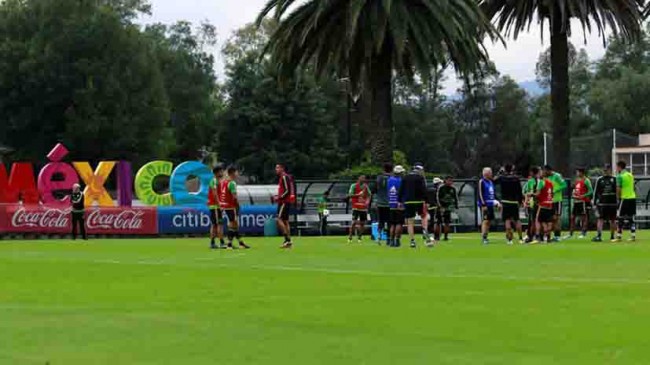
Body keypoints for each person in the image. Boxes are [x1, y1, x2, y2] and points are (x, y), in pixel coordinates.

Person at [219, 166, 250, 249]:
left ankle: (240, 242)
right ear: (232, 173)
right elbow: (234, 196)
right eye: (236, 172)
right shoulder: (232, 183)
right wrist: (237, 205)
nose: (237, 174)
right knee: (233, 225)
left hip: (225, 206)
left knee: (234, 225)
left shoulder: (224, 182)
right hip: (231, 206)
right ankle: (229, 244)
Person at [399, 163, 429, 248]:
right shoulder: (420, 178)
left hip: (408, 201)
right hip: (419, 201)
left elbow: (401, 190)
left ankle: (412, 241)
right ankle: (425, 234)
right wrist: (426, 201)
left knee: (410, 222)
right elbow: (424, 190)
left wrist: (400, 201)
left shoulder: (405, 177)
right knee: (424, 217)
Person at [496, 164, 524, 245]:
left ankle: (509, 239)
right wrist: (520, 201)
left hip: (505, 202)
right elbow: (519, 191)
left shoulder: (502, 178)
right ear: (512, 169)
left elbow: (493, 181)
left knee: (507, 220)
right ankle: (520, 238)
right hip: (514, 202)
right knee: (517, 220)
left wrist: (499, 173)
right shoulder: (516, 178)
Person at [592, 165, 618, 242]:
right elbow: (596, 192)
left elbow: (618, 190)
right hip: (602, 203)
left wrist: (618, 201)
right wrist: (594, 202)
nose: (605, 172)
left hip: (612, 203)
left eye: (607, 170)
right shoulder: (600, 179)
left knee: (612, 220)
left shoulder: (615, 179)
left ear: (610, 170)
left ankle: (612, 236)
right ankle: (599, 236)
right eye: (604, 170)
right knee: (600, 219)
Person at [567, 167, 593, 239]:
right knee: (572, 217)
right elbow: (575, 190)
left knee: (583, 217)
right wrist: (573, 194)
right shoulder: (577, 180)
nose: (577, 173)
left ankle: (583, 232)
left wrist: (582, 196)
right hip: (576, 201)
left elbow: (591, 191)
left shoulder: (586, 180)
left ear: (581, 172)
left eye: (578, 172)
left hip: (583, 202)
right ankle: (570, 234)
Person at [274, 164, 296, 248]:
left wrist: (279, 197)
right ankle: (288, 241)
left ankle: (287, 239)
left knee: (278, 219)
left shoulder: (284, 177)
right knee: (285, 221)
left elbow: (287, 191)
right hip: (285, 201)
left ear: (282, 168)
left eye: (278, 167)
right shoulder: (284, 177)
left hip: (283, 202)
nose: (276, 169)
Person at [544, 165, 567, 242]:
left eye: (545, 171)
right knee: (551, 219)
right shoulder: (546, 177)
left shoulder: (557, 176)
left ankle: (557, 236)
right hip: (549, 201)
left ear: (549, 170)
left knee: (557, 218)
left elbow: (564, 185)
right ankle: (548, 235)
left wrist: (555, 190)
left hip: (557, 200)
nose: (544, 172)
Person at [615, 161, 637, 242]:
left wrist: (618, 198)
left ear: (620, 167)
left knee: (620, 217)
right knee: (631, 217)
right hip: (632, 198)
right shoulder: (630, 175)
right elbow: (633, 186)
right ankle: (633, 235)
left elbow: (618, 188)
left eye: (617, 167)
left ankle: (619, 236)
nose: (616, 169)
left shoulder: (620, 176)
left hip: (624, 198)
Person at [533, 168, 555, 244]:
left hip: (542, 205)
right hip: (550, 205)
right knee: (549, 222)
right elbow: (552, 194)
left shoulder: (541, 183)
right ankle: (548, 238)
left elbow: (538, 194)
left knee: (539, 221)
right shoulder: (551, 183)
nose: (539, 174)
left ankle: (538, 237)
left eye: (540, 173)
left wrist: (531, 194)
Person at [478, 167, 499, 245]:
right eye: (490, 172)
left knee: (489, 221)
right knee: (485, 220)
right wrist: (483, 204)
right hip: (485, 204)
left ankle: (486, 235)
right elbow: (480, 193)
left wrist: (496, 202)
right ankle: (484, 237)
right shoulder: (482, 181)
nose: (491, 174)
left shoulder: (490, 182)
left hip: (491, 204)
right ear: (486, 173)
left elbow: (492, 194)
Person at [348, 175, 372, 243]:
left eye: (364, 178)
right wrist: (358, 195)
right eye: (362, 178)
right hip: (355, 207)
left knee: (362, 223)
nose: (363, 179)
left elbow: (369, 195)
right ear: (359, 178)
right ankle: (350, 237)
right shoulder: (354, 186)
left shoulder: (366, 186)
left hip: (363, 208)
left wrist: (367, 201)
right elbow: (350, 195)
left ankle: (359, 237)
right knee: (353, 222)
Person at [374, 163, 393, 245]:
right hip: (389, 203)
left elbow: (374, 189)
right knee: (389, 221)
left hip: (380, 203)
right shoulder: (392, 178)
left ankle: (378, 237)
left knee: (380, 221)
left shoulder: (379, 178)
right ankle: (389, 238)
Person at [388, 165, 406, 247]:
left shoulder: (389, 180)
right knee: (399, 223)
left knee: (392, 224)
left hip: (391, 203)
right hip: (400, 204)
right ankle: (397, 240)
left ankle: (391, 240)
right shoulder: (401, 181)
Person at [436, 176, 459, 242]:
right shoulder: (441, 187)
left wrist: (456, 205)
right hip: (441, 206)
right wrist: (440, 206)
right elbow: (437, 197)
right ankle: (437, 237)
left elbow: (455, 197)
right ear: (445, 180)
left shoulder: (453, 188)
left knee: (447, 222)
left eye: (451, 181)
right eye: (449, 180)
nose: (450, 182)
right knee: (438, 222)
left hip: (448, 207)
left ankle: (446, 236)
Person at [208, 165, 225, 249]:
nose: (222, 173)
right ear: (217, 172)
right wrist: (219, 205)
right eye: (221, 171)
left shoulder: (218, 181)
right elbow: (215, 194)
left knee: (216, 224)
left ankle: (213, 243)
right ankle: (221, 243)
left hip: (215, 206)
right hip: (215, 206)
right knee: (218, 224)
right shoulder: (214, 181)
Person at [523, 167, 541, 243]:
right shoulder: (537, 181)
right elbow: (527, 193)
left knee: (534, 221)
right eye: (540, 172)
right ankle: (535, 236)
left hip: (535, 203)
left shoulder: (531, 181)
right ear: (537, 173)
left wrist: (526, 201)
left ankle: (532, 236)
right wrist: (526, 202)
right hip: (536, 203)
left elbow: (527, 193)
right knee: (535, 221)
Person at [426, 177, 443, 244]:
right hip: (436, 206)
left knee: (431, 221)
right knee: (437, 222)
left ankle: (429, 234)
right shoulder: (438, 190)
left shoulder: (429, 190)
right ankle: (436, 236)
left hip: (430, 207)